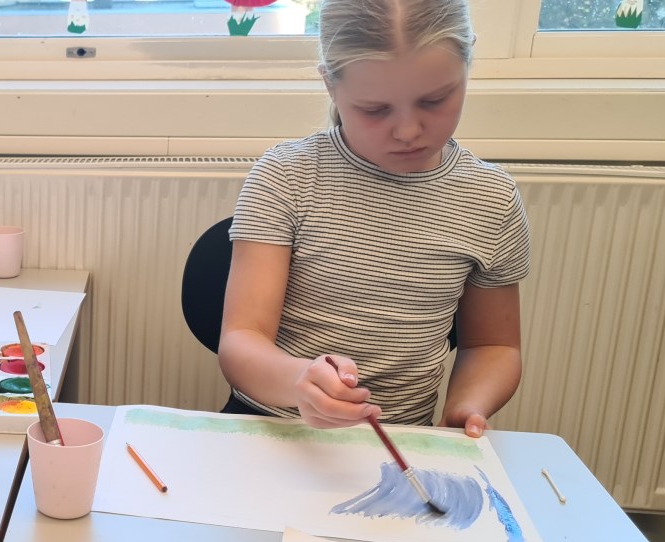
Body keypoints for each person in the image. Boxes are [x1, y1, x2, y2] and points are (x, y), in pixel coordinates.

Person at [218, 0, 530, 438]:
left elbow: (493, 345)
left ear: (467, 64)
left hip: (401, 437)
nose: (407, 131)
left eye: (435, 100)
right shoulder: (287, 176)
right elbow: (241, 340)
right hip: (273, 426)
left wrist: (468, 404)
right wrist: (300, 381)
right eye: (374, 109)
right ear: (330, 84)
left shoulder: (491, 199)